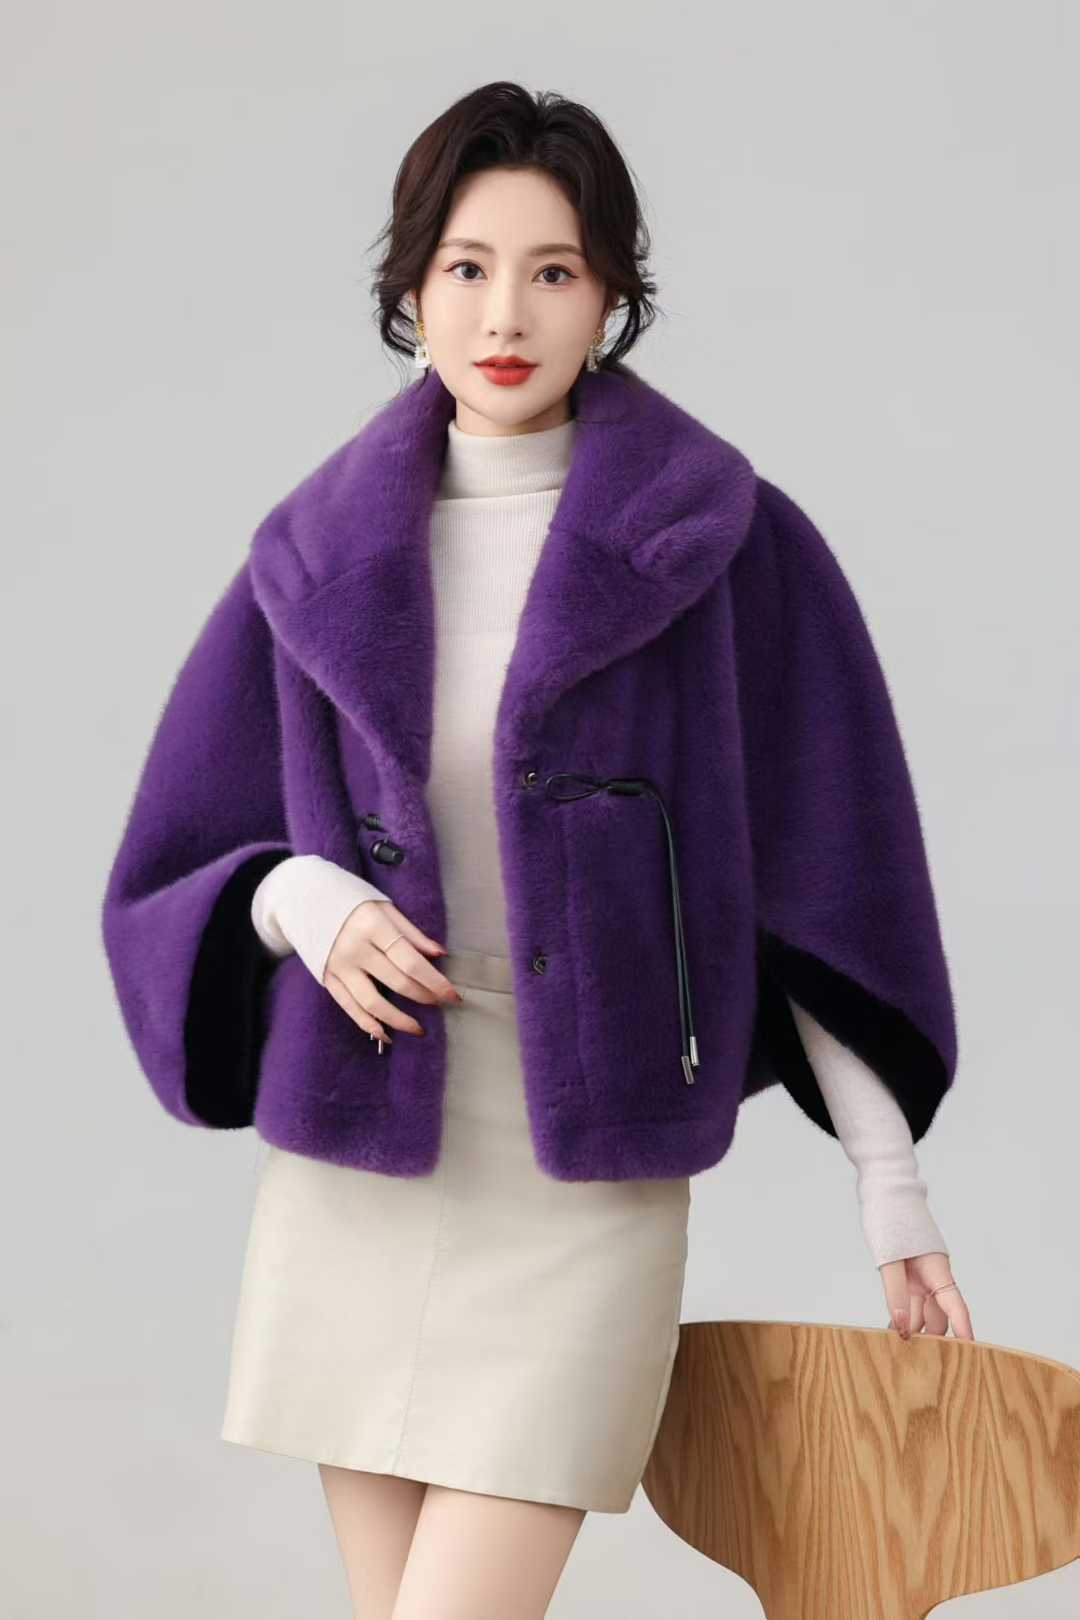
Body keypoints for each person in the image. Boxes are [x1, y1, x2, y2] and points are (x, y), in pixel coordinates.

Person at [101, 81, 973, 1620]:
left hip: (590, 1172)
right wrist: (301, 898)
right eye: (467, 267)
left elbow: (829, 880)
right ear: (411, 291)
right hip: (360, 1168)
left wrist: (891, 1191)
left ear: (613, 294)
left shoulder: (726, 543)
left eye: (554, 270)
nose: (506, 313)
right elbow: (188, 855)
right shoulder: (316, 556)